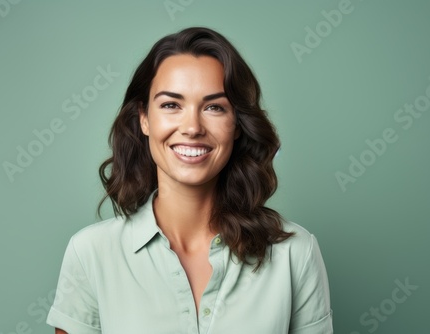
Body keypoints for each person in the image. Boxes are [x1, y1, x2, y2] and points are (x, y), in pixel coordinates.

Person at [46, 26, 333, 334]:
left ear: (238, 124)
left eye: (214, 107)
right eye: (171, 105)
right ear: (144, 118)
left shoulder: (296, 253)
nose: (192, 127)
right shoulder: (90, 253)